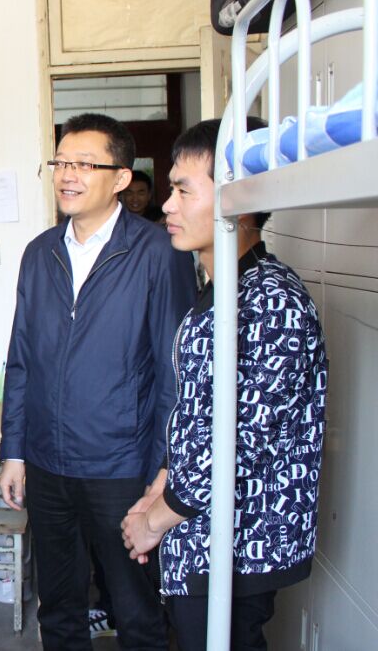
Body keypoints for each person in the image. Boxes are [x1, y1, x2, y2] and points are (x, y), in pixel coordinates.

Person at [122, 119, 327, 650]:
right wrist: (159, 487)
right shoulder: (223, 288)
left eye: (184, 190)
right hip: (200, 530)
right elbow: (199, 412)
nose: (168, 205)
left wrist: (155, 521)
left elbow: (242, 441)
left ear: (243, 199)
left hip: (239, 542)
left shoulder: (271, 301)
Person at [0, 112, 196, 650]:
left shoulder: (158, 252)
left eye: (85, 164)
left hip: (120, 467)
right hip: (46, 463)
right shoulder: (40, 252)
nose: (68, 174)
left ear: (121, 177)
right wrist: (13, 451)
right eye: (61, 162)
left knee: (136, 608)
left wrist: (163, 467)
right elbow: (22, 358)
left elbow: (175, 372)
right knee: (59, 604)